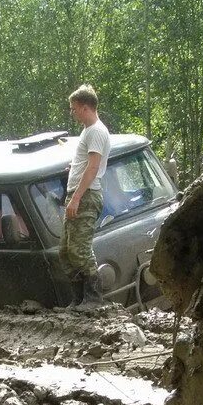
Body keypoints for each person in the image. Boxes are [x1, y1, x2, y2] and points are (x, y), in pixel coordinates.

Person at [61, 84, 110, 308]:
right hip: (79, 193)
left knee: (79, 250)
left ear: (85, 107)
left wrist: (77, 197)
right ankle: (79, 298)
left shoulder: (97, 131)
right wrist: (73, 169)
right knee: (65, 251)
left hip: (86, 196)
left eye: (74, 109)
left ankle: (93, 299)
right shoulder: (88, 131)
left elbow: (93, 168)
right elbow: (85, 165)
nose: (72, 113)